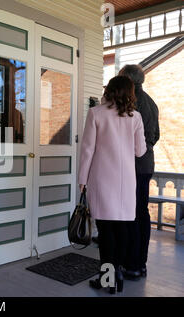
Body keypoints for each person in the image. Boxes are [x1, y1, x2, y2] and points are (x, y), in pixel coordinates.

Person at [78, 76, 147, 294]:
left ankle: (108, 278)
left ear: (109, 90)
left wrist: (82, 179)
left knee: (106, 233)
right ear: (130, 93)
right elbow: (140, 151)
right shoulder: (135, 117)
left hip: (102, 179)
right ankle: (117, 272)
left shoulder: (96, 113)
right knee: (123, 230)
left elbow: (87, 149)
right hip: (126, 182)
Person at [118, 65, 160, 280]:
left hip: (133, 165)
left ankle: (132, 264)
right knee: (141, 213)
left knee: (132, 215)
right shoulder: (151, 103)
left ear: (127, 80)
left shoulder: (132, 103)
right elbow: (156, 136)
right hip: (146, 165)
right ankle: (140, 263)